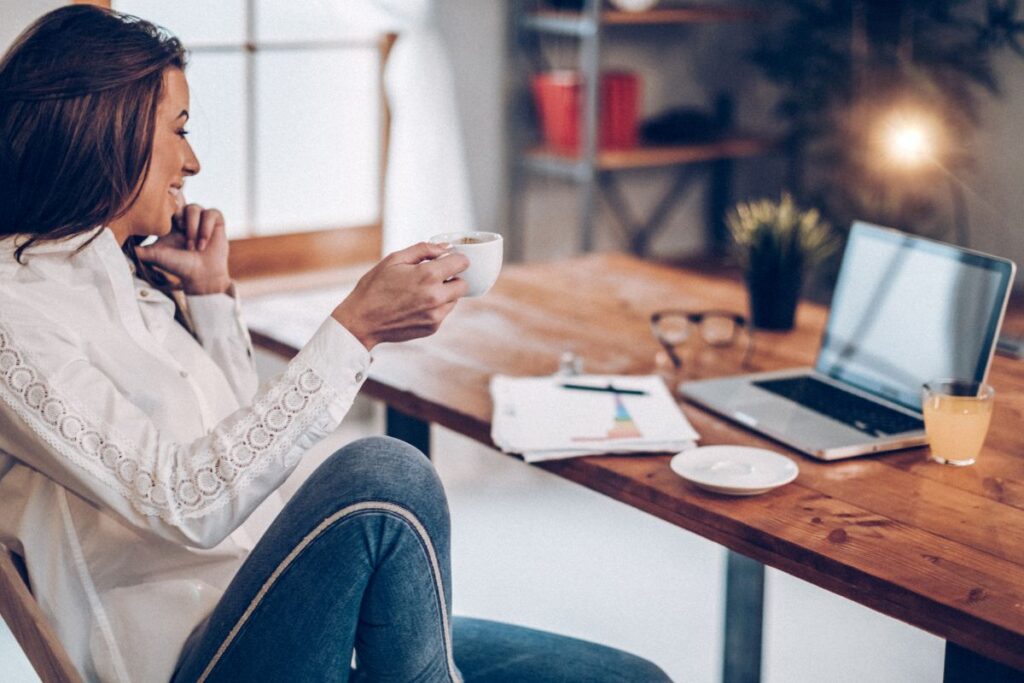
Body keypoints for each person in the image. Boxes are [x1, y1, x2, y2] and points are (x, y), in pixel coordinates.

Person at [0, 6, 672, 682]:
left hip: (286, 614)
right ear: (102, 131)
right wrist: (355, 329)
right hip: (195, 662)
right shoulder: (14, 315)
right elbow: (184, 501)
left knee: (628, 677)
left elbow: (241, 475)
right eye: (179, 130)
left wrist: (211, 299)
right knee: (386, 478)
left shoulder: (132, 277)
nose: (193, 160)